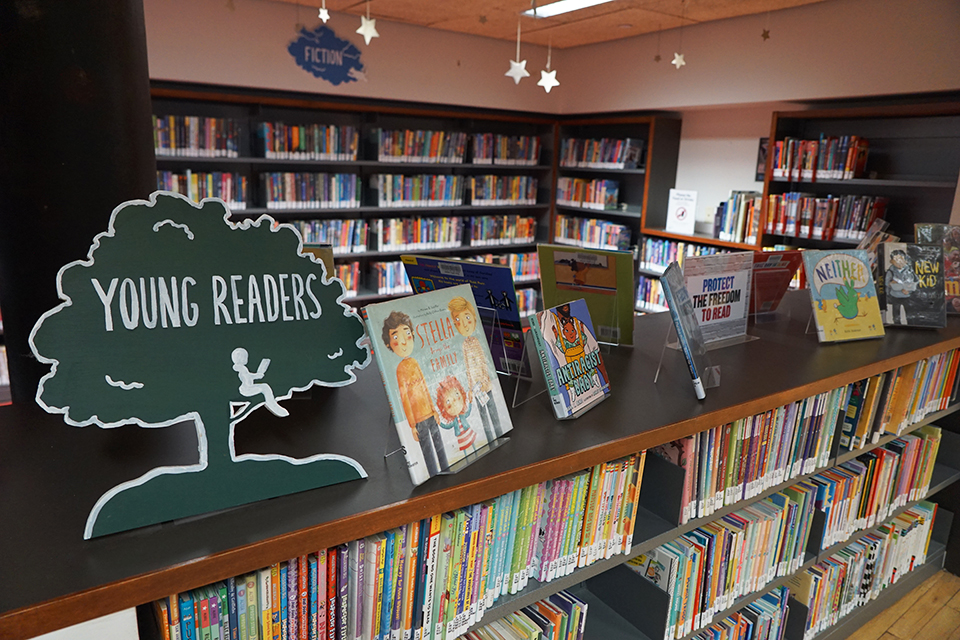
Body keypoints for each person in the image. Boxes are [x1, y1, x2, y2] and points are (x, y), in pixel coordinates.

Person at [381, 311, 447, 475]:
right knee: (428, 453)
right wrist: (412, 425)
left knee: (440, 449)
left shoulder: (415, 362)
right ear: (389, 344)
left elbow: (425, 387)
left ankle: (446, 470)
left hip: (430, 415)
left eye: (407, 334)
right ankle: (433, 476)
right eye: (396, 337)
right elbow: (405, 399)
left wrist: (434, 410)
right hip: (419, 421)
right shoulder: (400, 370)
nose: (403, 341)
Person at [448, 295, 502, 443]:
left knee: (492, 411)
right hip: (476, 388)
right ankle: (491, 439)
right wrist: (471, 388)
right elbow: (467, 367)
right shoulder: (464, 345)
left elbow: (483, 363)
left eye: (467, 317)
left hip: (485, 385)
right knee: (483, 415)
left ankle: (499, 434)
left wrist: (484, 381)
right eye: (458, 320)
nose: (464, 324)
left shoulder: (477, 342)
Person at [231, 347, 289, 417]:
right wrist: (257, 375)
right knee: (265, 387)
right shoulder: (242, 368)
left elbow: (248, 376)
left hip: (247, 388)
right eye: (245, 357)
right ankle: (271, 403)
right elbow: (247, 376)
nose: (247, 358)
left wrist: (257, 375)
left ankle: (271, 403)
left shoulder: (242, 368)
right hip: (247, 389)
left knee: (265, 386)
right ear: (241, 358)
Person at [435, 375, 481, 455]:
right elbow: (447, 426)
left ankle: (475, 451)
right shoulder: (454, 421)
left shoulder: (463, 415)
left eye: (457, 395)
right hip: (460, 435)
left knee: (471, 441)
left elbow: (468, 412)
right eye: (448, 402)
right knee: (464, 446)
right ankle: (466, 455)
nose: (454, 403)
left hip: (467, 431)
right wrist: (439, 423)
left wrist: (470, 402)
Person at [885, 249, 918, 324]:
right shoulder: (891, 271)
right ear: (892, 261)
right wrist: (891, 283)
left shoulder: (909, 270)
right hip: (895, 295)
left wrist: (909, 290)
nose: (899, 262)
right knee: (896, 312)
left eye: (901, 259)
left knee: (909, 312)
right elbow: (886, 283)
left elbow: (914, 281)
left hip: (907, 295)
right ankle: (897, 323)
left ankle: (911, 323)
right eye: (896, 260)